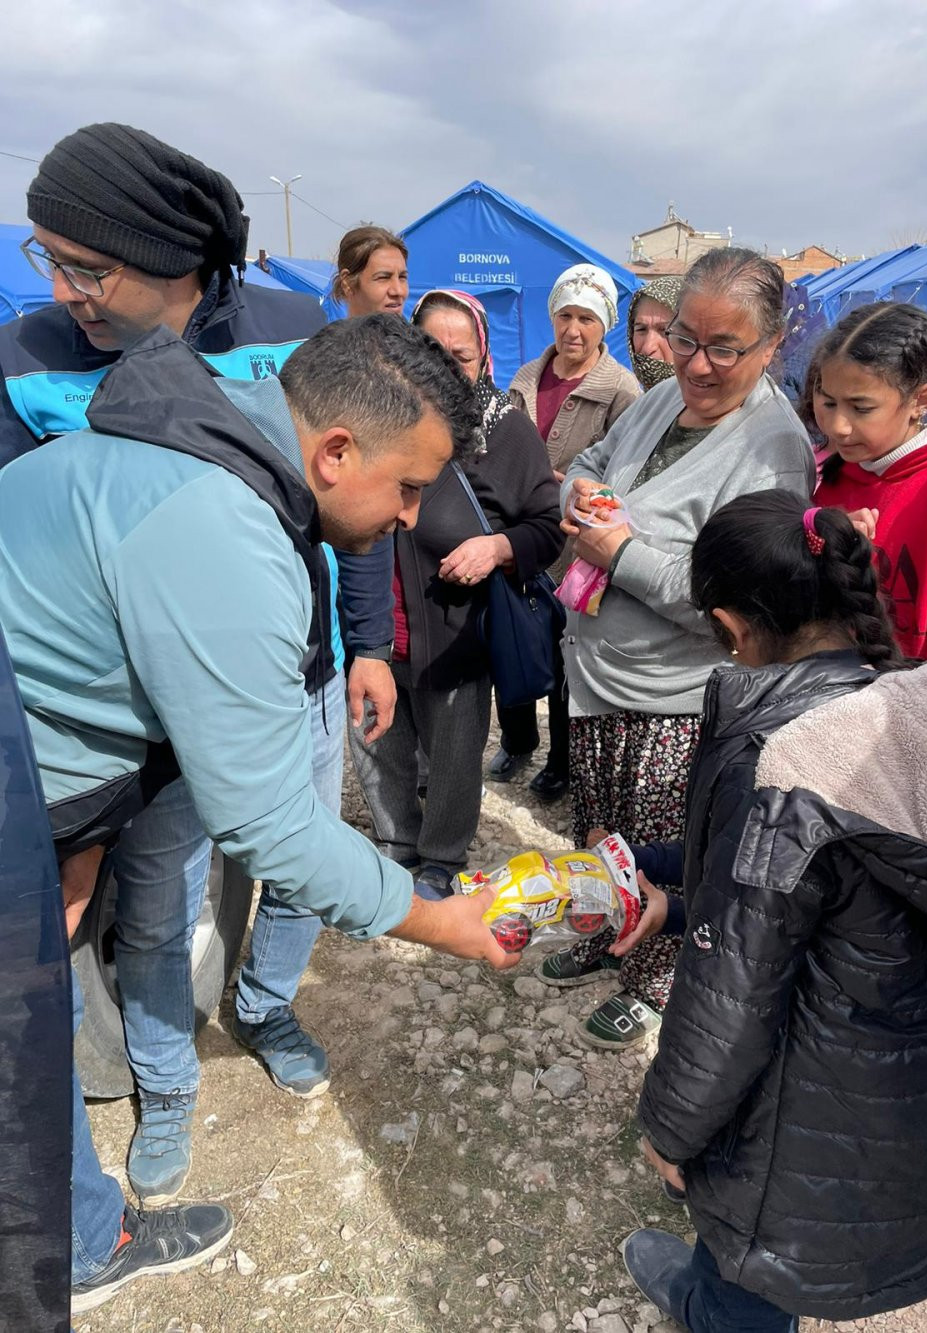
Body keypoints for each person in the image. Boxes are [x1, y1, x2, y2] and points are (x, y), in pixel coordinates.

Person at [0, 312, 516, 1313]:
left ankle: (72, 1221)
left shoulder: (192, 432)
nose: (413, 517)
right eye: (409, 486)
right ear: (333, 449)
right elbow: (269, 821)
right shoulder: (225, 532)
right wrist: (432, 917)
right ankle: (78, 1245)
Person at [0, 123, 398, 1209]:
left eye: (88, 265)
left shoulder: (288, 327)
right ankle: (163, 1085)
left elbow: (361, 496)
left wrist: (368, 644)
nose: (66, 289)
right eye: (51, 260)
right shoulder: (29, 353)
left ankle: (268, 1004)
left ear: (174, 258)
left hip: (298, 665)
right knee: (161, 897)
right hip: (144, 713)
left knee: (302, 854)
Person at [624, 488, 927, 1332]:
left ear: (730, 625)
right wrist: (682, 901)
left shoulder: (779, 763)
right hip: (921, 1098)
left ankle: (704, 1303)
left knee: (747, 1275)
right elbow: (844, 908)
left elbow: (733, 990)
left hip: (801, 1103)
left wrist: (671, 1129)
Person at [541, 249, 815, 1049]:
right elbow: (589, 462)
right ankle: (605, 927)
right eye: (683, 338)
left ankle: (657, 978)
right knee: (605, 831)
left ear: (771, 346)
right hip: (601, 671)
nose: (696, 363)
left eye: (723, 347)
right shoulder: (660, 400)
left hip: (678, 694)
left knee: (670, 845)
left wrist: (618, 552)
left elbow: (740, 605)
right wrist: (579, 496)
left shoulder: (773, 450)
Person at [350, 291, 563, 898]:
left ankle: (442, 855)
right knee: (380, 744)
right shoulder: (382, 420)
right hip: (376, 623)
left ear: (484, 355)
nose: (446, 372)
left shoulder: (506, 428)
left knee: (450, 754)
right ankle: (396, 842)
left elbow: (546, 525)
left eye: (461, 357)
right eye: (431, 355)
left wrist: (497, 548)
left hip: (456, 631)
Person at [488, 263, 640, 802]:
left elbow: (628, 474)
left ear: (605, 326)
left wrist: (570, 481)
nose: (573, 330)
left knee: (565, 651)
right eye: (565, 316)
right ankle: (517, 738)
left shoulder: (621, 391)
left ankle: (562, 758)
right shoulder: (526, 379)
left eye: (587, 319)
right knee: (511, 638)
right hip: (523, 532)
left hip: (577, 547)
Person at [809, 301, 927, 691]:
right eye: (828, 402)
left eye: (861, 408)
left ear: (922, 400)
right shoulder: (835, 478)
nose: (839, 426)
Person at [332, 224, 409, 317]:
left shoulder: (420, 331)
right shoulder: (329, 331)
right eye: (383, 278)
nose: (399, 291)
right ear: (347, 283)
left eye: (402, 277)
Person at [627, 275, 683, 390]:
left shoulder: (711, 406)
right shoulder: (639, 406)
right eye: (641, 330)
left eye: (665, 331)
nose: (648, 348)